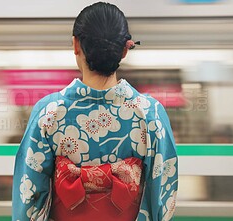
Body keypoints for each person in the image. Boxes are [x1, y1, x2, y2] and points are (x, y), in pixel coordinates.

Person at [12, 2, 178, 221]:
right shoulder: (150, 114)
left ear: (76, 45)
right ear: (125, 50)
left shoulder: (49, 113)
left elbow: (29, 195)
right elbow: (163, 195)